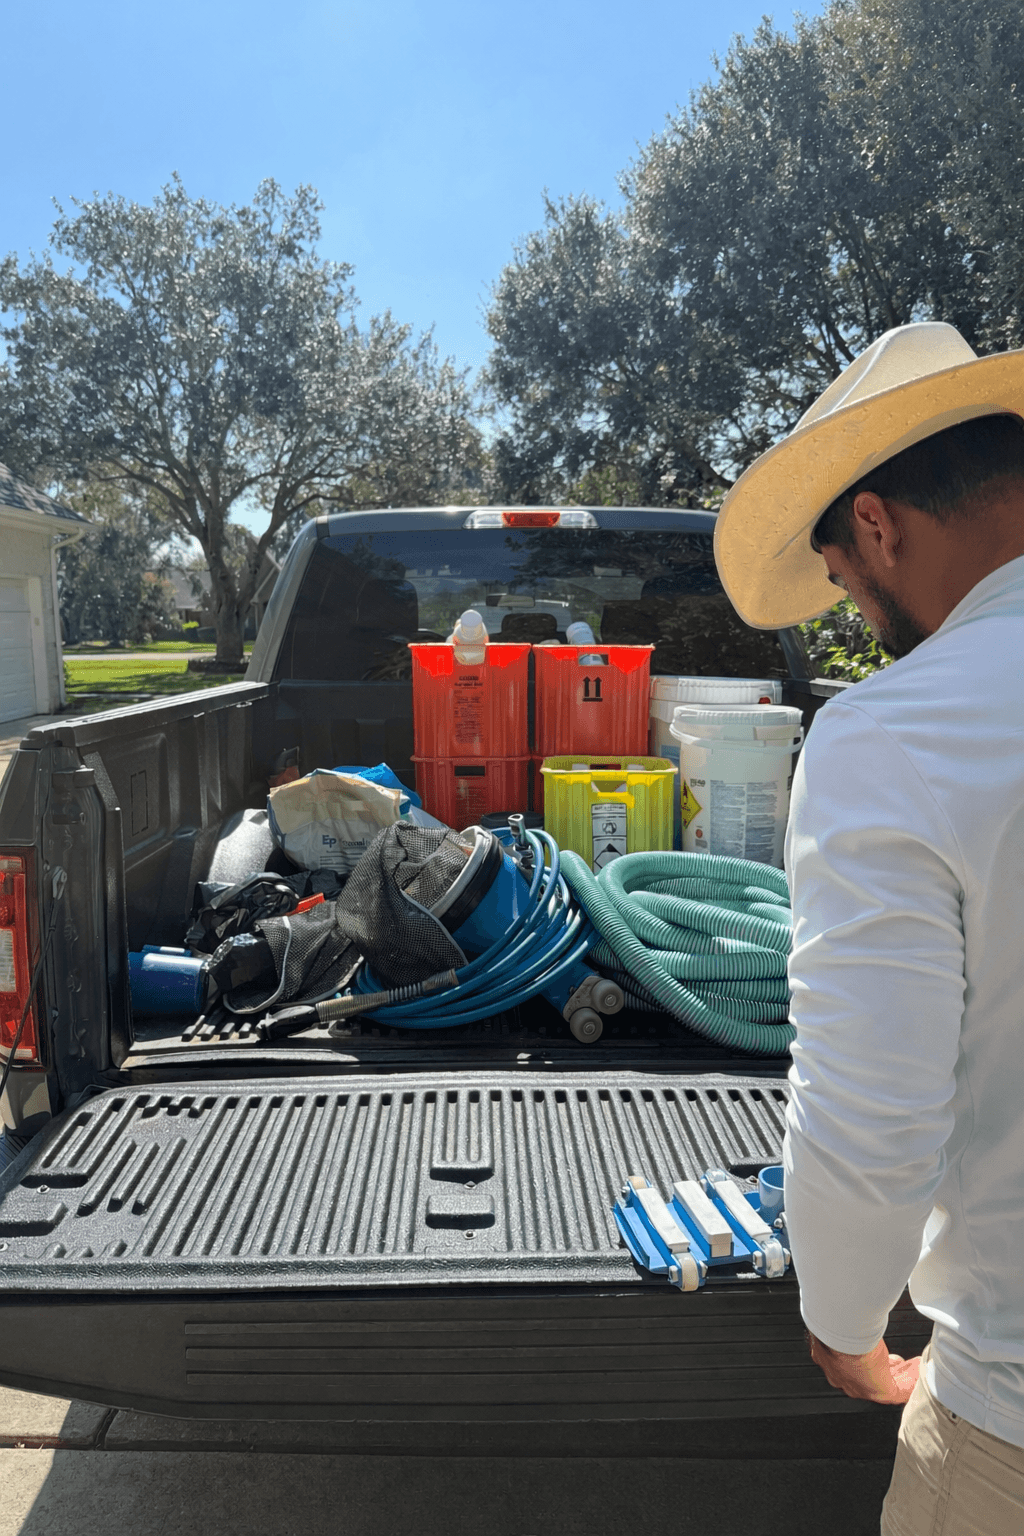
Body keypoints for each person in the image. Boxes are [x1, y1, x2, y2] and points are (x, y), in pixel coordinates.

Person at [714, 322, 1024, 1534]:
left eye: (840, 579)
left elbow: (872, 1119)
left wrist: (842, 1323)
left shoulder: (890, 734)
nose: (854, 611)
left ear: (879, 525)